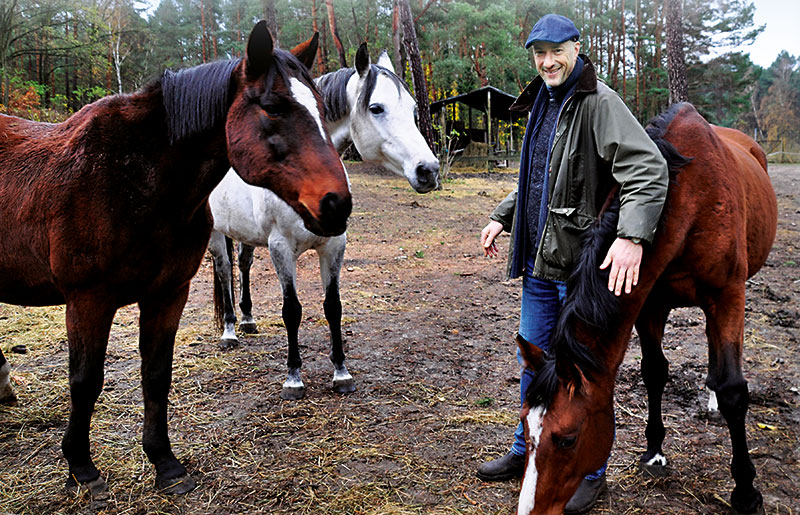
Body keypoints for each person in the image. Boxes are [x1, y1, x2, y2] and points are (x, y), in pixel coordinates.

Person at [476, 13, 669, 514]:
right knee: (533, 368)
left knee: (583, 380)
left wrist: (632, 236)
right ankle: (527, 452)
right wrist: (503, 217)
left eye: (555, 50)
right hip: (540, 266)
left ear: (576, 48)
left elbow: (648, 168)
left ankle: (592, 469)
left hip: (577, 273)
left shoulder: (598, 102)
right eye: (538, 52)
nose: (546, 60)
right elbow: (537, 177)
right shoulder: (543, 102)